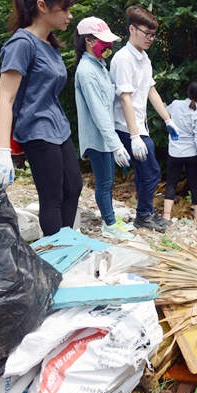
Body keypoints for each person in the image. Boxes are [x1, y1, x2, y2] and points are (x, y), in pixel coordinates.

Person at [0, 0, 83, 237]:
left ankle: (66, 242)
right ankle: (58, 251)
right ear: (42, 6)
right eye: (63, 9)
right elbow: (4, 99)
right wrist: (2, 151)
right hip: (36, 129)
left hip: (58, 127)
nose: (69, 15)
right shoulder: (22, 44)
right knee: (52, 197)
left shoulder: (50, 45)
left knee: (74, 187)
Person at [109, 5, 180, 232]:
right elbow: (125, 99)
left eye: (153, 34)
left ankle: (146, 213)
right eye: (147, 33)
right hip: (126, 126)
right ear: (132, 29)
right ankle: (144, 214)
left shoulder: (144, 58)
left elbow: (151, 91)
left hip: (140, 125)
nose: (151, 38)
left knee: (144, 172)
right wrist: (134, 135)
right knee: (151, 172)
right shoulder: (122, 59)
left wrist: (168, 120)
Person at [74, 17, 135, 240]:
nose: (108, 47)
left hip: (106, 137)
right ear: (89, 41)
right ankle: (109, 224)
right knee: (104, 182)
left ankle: (110, 220)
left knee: (108, 181)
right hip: (97, 138)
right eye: (104, 42)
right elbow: (99, 113)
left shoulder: (99, 65)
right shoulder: (86, 72)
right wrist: (116, 144)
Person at [162, 80, 197, 222]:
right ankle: (196, 215)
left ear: (188, 92)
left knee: (171, 183)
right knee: (194, 183)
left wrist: (162, 104)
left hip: (175, 153)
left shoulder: (176, 104)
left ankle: (166, 215)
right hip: (192, 154)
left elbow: (165, 111)